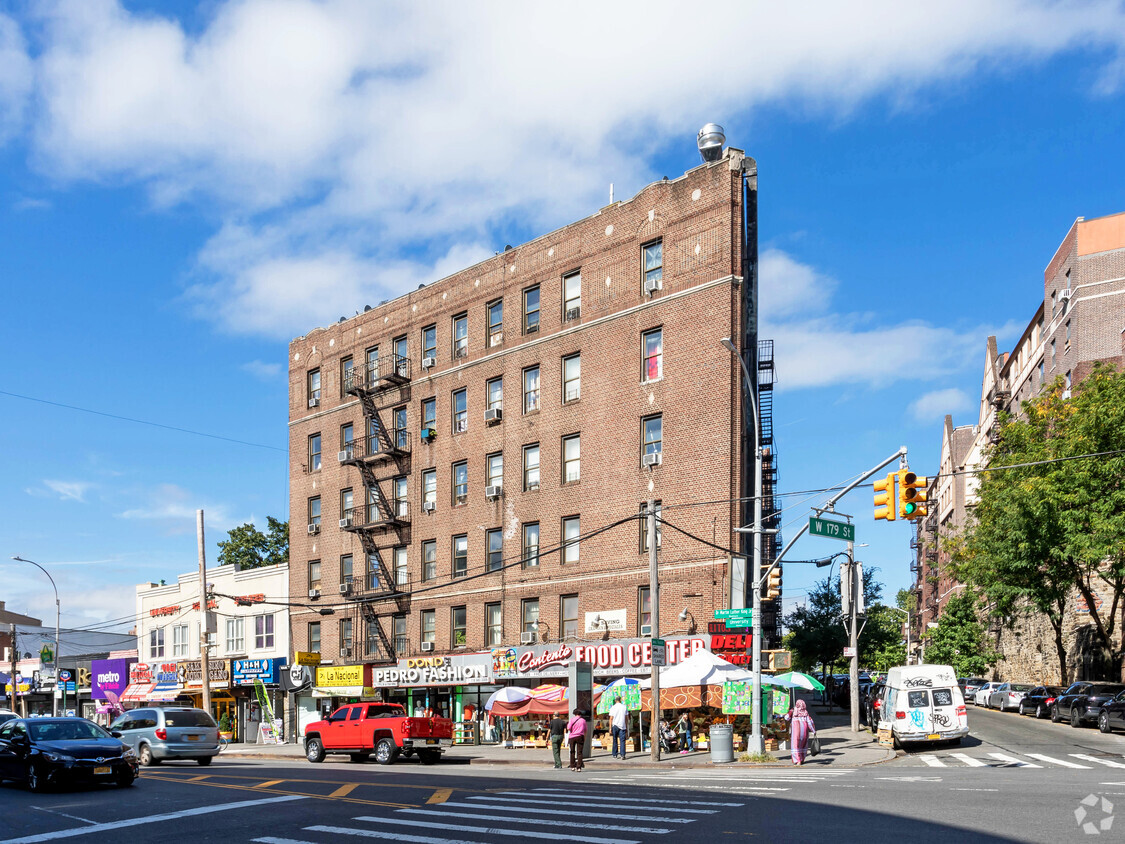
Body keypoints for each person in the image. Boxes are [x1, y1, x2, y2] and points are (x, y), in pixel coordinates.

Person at [785, 699, 816, 765]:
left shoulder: (793, 710)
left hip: (796, 732)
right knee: (803, 745)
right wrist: (813, 731)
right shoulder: (805, 712)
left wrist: (789, 712)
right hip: (804, 732)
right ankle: (802, 759)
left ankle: (798, 760)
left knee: (795, 746)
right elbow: (810, 722)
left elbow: (786, 718)